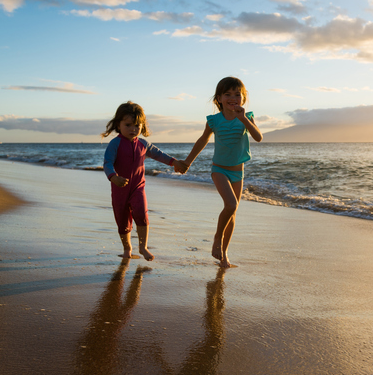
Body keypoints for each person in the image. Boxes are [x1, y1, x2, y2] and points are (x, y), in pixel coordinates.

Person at [179, 77, 263, 268]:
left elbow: (258, 137)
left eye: (237, 94)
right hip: (219, 170)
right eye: (228, 94)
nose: (232, 98)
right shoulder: (214, 120)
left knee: (233, 213)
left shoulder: (246, 117)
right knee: (231, 204)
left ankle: (224, 255)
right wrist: (188, 162)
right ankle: (217, 238)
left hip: (238, 172)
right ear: (219, 98)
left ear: (243, 98)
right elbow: (202, 140)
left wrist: (243, 119)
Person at [102, 101, 187, 261]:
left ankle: (143, 247)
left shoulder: (143, 143)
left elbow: (158, 154)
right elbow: (107, 163)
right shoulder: (115, 144)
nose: (133, 129)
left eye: (137, 125)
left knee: (141, 214)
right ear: (118, 125)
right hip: (119, 188)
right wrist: (113, 177)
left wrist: (174, 162)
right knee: (122, 221)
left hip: (138, 188)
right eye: (128, 125)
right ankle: (127, 249)